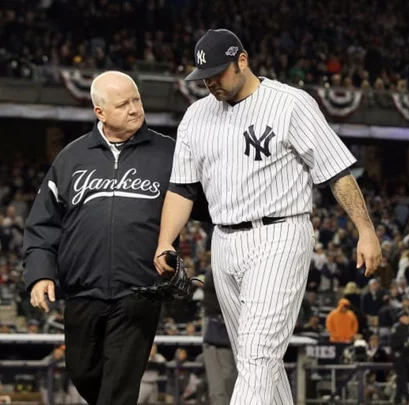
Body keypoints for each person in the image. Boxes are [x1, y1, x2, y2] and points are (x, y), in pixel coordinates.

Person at [153, 29, 382, 405]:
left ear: (242, 60)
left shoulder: (290, 103)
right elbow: (182, 188)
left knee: (257, 356)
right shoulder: (196, 115)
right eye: (204, 76)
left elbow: (336, 173)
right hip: (224, 242)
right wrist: (165, 241)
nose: (210, 82)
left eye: (218, 73)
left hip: (278, 235)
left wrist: (365, 230)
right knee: (256, 362)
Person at [23, 70, 205, 405]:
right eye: (123, 104)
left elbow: (208, 207)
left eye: (137, 99)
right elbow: (43, 223)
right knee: (82, 372)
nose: (135, 108)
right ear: (100, 112)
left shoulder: (170, 154)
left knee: (120, 385)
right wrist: (40, 273)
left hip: (139, 290)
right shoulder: (71, 158)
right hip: (82, 290)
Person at [202, 268, 237, 405]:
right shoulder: (216, 270)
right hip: (216, 324)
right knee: (218, 385)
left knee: (230, 378)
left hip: (234, 324)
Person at [390, 311, 409, 405]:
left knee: (403, 379)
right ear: (401, 318)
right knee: (402, 378)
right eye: (406, 317)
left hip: (407, 356)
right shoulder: (397, 328)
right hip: (399, 356)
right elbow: (393, 344)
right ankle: (408, 397)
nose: (408, 318)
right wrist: (404, 346)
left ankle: (398, 398)